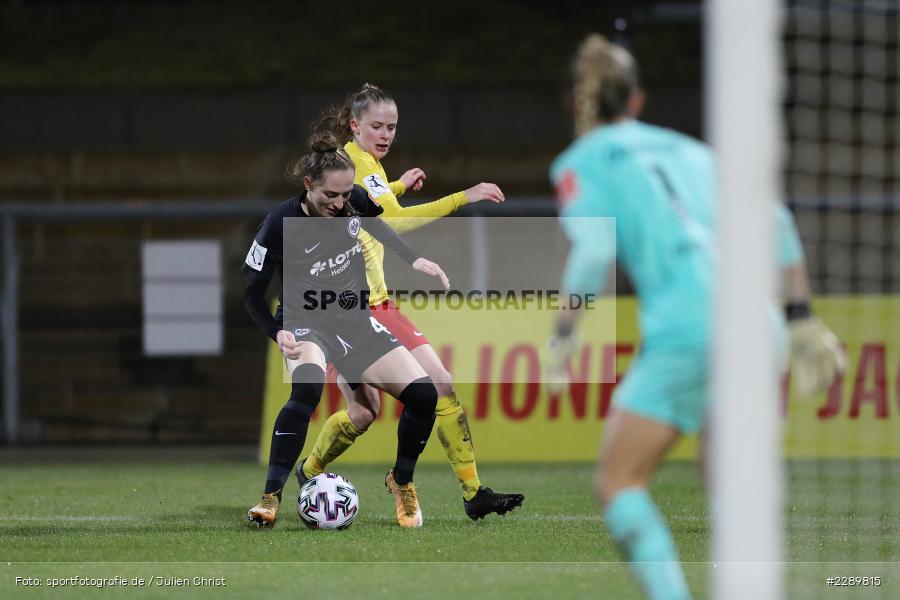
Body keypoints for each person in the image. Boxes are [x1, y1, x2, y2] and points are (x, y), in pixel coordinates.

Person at [542, 35, 846, 599]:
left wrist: (564, 333)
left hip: (691, 328)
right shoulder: (692, 151)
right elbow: (775, 219)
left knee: (619, 482)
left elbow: (593, 253)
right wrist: (801, 317)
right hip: (759, 323)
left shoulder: (578, 163)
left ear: (574, 104)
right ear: (637, 100)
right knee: (726, 475)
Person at [295, 83, 525, 522]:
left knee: (427, 388)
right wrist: (464, 197)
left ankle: (468, 491)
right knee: (368, 412)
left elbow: (375, 204)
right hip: (348, 311)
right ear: (354, 125)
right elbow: (393, 222)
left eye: (392, 127)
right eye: (377, 126)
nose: (385, 134)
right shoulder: (355, 166)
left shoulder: (364, 164)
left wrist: (399, 183)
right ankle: (318, 472)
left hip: (378, 305)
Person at [244, 131, 452, 529]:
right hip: (306, 322)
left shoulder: (351, 199)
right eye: (330, 196)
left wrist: (414, 260)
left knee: (424, 396)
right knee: (306, 391)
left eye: (345, 196)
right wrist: (276, 331)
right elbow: (252, 293)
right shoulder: (278, 223)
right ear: (308, 185)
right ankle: (270, 497)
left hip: (355, 320)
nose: (340, 204)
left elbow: (376, 225)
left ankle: (401, 481)